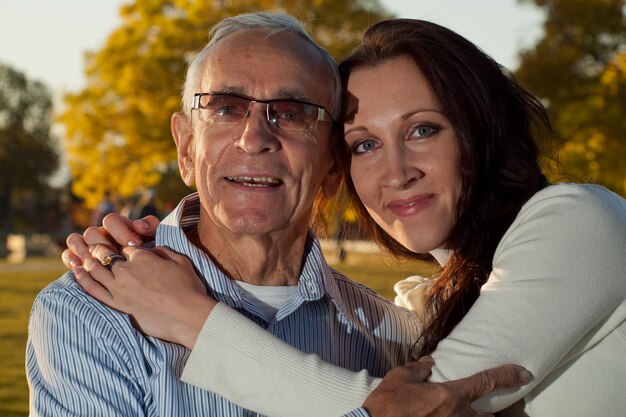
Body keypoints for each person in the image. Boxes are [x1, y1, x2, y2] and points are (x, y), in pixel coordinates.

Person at [65, 17, 626, 417]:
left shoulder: (579, 222)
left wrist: (188, 317)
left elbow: (420, 408)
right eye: (364, 144)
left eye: (422, 129)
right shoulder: (419, 314)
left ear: (480, 133)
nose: (396, 171)